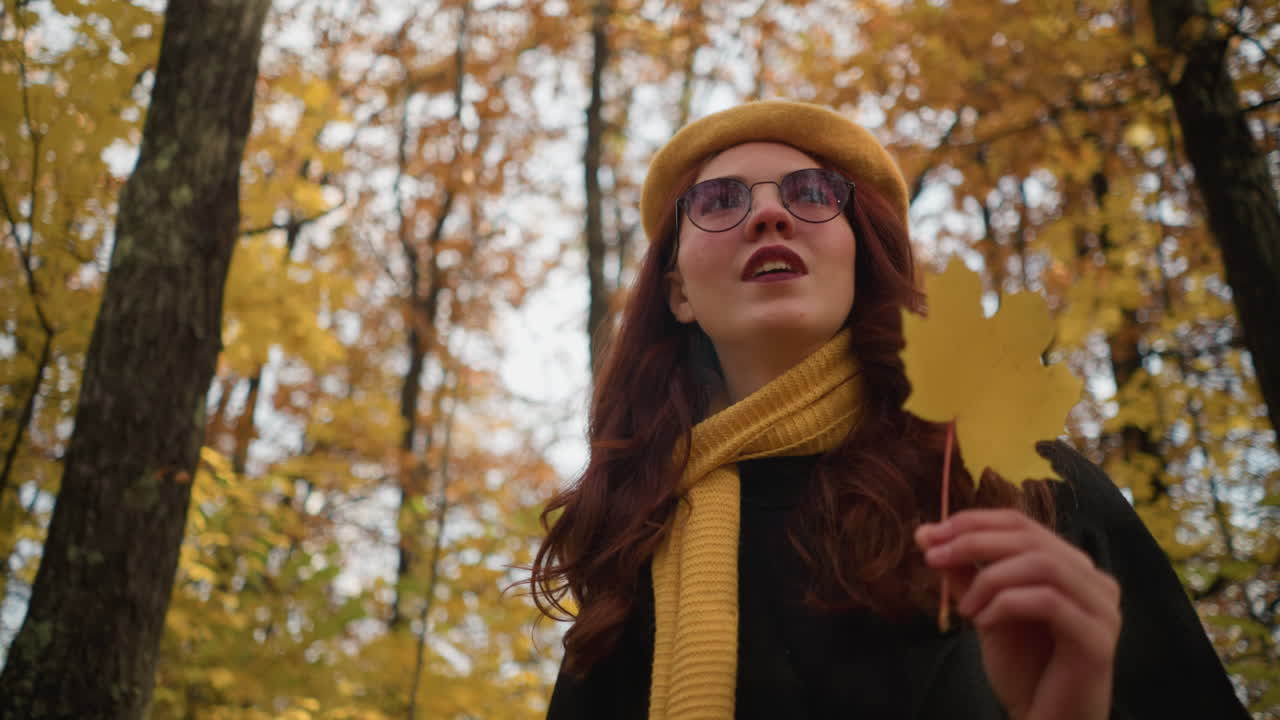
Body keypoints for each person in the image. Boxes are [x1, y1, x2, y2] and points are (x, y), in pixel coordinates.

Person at [529, 101, 1250, 720]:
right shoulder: (630, 547)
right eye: (720, 201)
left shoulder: (1017, 486)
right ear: (679, 291)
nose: (771, 214)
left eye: (811, 193)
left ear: (861, 257)